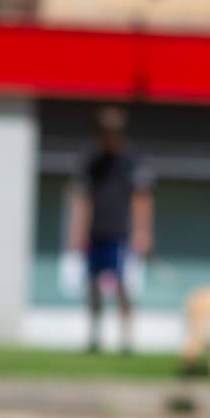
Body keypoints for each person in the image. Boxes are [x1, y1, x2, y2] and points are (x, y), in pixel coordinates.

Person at [68, 106, 154, 354]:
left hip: (122, 233)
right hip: (96, 232)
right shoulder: (91, 161)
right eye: (105, 131)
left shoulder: (132, 159)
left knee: (122, 286)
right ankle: (94, 337)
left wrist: (143, 232)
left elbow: (142, 198)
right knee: (93, 286)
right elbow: (83, 198)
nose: (109, 136)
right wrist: (78, 231)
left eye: (113, 131)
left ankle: (127, 339)